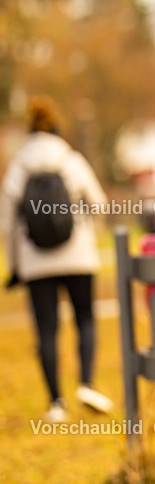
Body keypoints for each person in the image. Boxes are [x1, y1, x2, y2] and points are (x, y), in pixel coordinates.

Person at [0, 98, 112, 422]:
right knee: (85, 320)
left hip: (36, 262)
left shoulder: (18, 169)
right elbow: (99, 205)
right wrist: (90, 233)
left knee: (46, 331)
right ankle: (86, 384)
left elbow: (7, 224)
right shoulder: (72, 161)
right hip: (79, 256)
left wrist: (15, 266)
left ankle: (55, 404)